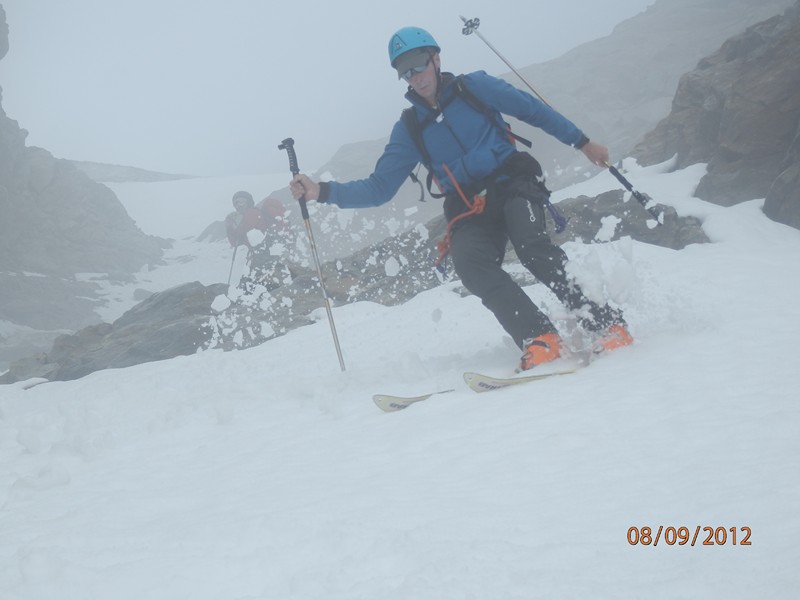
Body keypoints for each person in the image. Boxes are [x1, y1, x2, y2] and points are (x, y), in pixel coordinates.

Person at [289, 26, 633, 371]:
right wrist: (322, 192)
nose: (415, 76)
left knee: (532, 247)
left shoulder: (475, 88)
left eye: (419, 64)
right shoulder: (410, 128)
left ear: (436, 59)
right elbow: (380, 188)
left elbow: (533, 111)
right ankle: (540, 337)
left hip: (512, 182)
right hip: (469, 206)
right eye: (405, 71)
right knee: (470, 265)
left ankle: (605, 323)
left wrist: (582, 142)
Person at [225, 191, 290, 292]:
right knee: (255, 284)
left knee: (250, 284)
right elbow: (236, 242)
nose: (238, 205)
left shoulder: (252, 213)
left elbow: (248, 234)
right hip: (264, 254)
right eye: (235, 203)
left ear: (248, 202)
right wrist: (231, 229)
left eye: (241, 201)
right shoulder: (247, 216)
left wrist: (235, 227)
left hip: (263, 254)